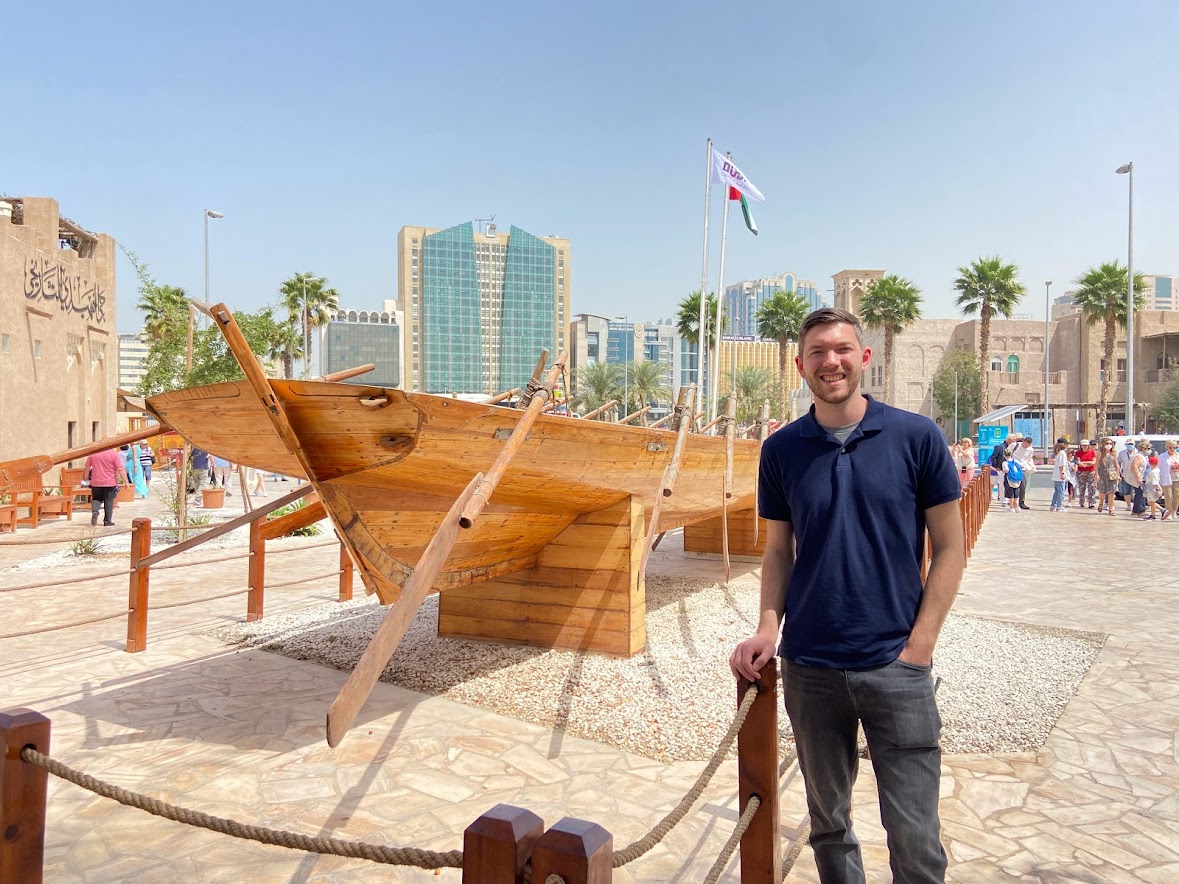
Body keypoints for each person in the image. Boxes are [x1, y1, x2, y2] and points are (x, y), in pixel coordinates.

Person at [730, 307, 965, 884]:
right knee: (829, 825)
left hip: (896, 666)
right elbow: (779, 551)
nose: (830, 361)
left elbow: (951, 548)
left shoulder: (917, 437)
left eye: (841, 350)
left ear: (864, 358)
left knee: (914, 836)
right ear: (800, 365)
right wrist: (768, 629)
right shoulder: (782, 450)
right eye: (817, 352)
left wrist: (921, 646)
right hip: (811, 666)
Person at [84, 446, 129, 527]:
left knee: (96, 499)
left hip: (96, 482)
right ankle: (107, 521)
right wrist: (126, 481)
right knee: (108, 501)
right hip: (110, 482)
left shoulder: (93, 454)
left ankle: (95, 512)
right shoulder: (113, 454)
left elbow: (87, 467)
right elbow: (120, 469)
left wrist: (85, 480)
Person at [1096, 438, 1120, 517]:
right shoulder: (1100, 453)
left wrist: (1118, 474)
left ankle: (1111, 508)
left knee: (1111, 492)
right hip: (1102, 474)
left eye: (1110, 443)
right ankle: (1101, 503)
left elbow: (1116, 464)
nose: (1109, 445)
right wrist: (1096, 474)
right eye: (1107, 443)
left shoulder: (1113, 453)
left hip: (1112, 474)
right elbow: (1096, 464)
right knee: (1102, 492)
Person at [1127, 440, 1150, 517]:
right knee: (1141, 494)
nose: (1149, 450)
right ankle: (1141, 511)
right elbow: (1134, 466)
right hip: (1137, 478)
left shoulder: (1143, 456)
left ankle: (1135, 510)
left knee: (1138, 493)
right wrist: (1138, 478)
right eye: (1148, 448)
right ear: (1142, 448)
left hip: (1141, 477)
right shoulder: (1138, 456)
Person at [1012, 438, 1036, 509]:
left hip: (1023, 469)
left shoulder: (1030, 450)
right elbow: (1006, 453)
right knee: (1013, 485)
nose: (1026, 446)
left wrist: (1029, 466)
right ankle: (1011, 501)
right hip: (1013, 468)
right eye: (1025, 445)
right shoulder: (1015, 445)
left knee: (1023, 486)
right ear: (1023, 441)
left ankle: (1021, 502)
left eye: (1028, 446)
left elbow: (1029, 458)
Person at [1073, 439, 1097, 508]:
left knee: (1092, 487)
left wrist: (1084, 463)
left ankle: (1091, 502)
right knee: (1082, 487)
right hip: (1081, 472)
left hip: (1091, 471)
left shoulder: (1092, 452)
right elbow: (1078, 462)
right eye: (1083, 445)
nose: (1085, 447)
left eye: (1086, 445)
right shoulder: (1078, 453)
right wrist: (1088, 462)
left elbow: (1093, 462)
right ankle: (1082, 502)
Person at [1159, 439, 1178, 521]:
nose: (1172, 449)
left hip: (1177, 478)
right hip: (1166, 479)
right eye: (1170, 447)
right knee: (1168, 496)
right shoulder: (1162, 456)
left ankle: (1174, 511)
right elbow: (1158, 468)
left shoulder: (1178, 455)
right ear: (1167, 447)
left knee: (1177, 496)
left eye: (1174, 447)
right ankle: (1169, 512)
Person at [1001, 447, 1022, 513]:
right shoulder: (1015, 461)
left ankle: (1011, 508)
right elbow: (1021, 466)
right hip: (1017, 479)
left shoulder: (1005, 463)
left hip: (1009, 479)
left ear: (1004, 455)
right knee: (1016, 493)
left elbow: (1006, 470)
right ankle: (1017, 507)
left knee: (1011, 494)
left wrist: (1003, 471)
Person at [1117, 439, 1137, 512]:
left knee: (1137, 491)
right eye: (1128, 444)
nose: (1130, 445)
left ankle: (1137, 505)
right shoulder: (1122, 453)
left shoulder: (1138, 453)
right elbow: (1118, 462)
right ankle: (1128, 505)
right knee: (1126, 490)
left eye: (1131, 444)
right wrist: (1118, 472)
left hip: (1135, 473)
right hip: (1125, 473)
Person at [1050, 441, 1070, 512]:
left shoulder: (1058, 453)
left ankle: (1053, 505)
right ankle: (1059, 506)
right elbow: (1062, 464)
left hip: (1056, 475)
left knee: (1057, 491)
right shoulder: (1062, 453)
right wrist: (1062, 473)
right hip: (1060, 475)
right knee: (1061, 491)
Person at [1143, 455, 1163, 521]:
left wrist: (1157, 490)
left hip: (1153, 487)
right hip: (1149, 486)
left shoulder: (1154, 472)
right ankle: (1162, 510)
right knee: (1150, 502)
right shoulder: (1152, 470)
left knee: (1152, 502)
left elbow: (1155, 482)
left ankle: (1153, 515)